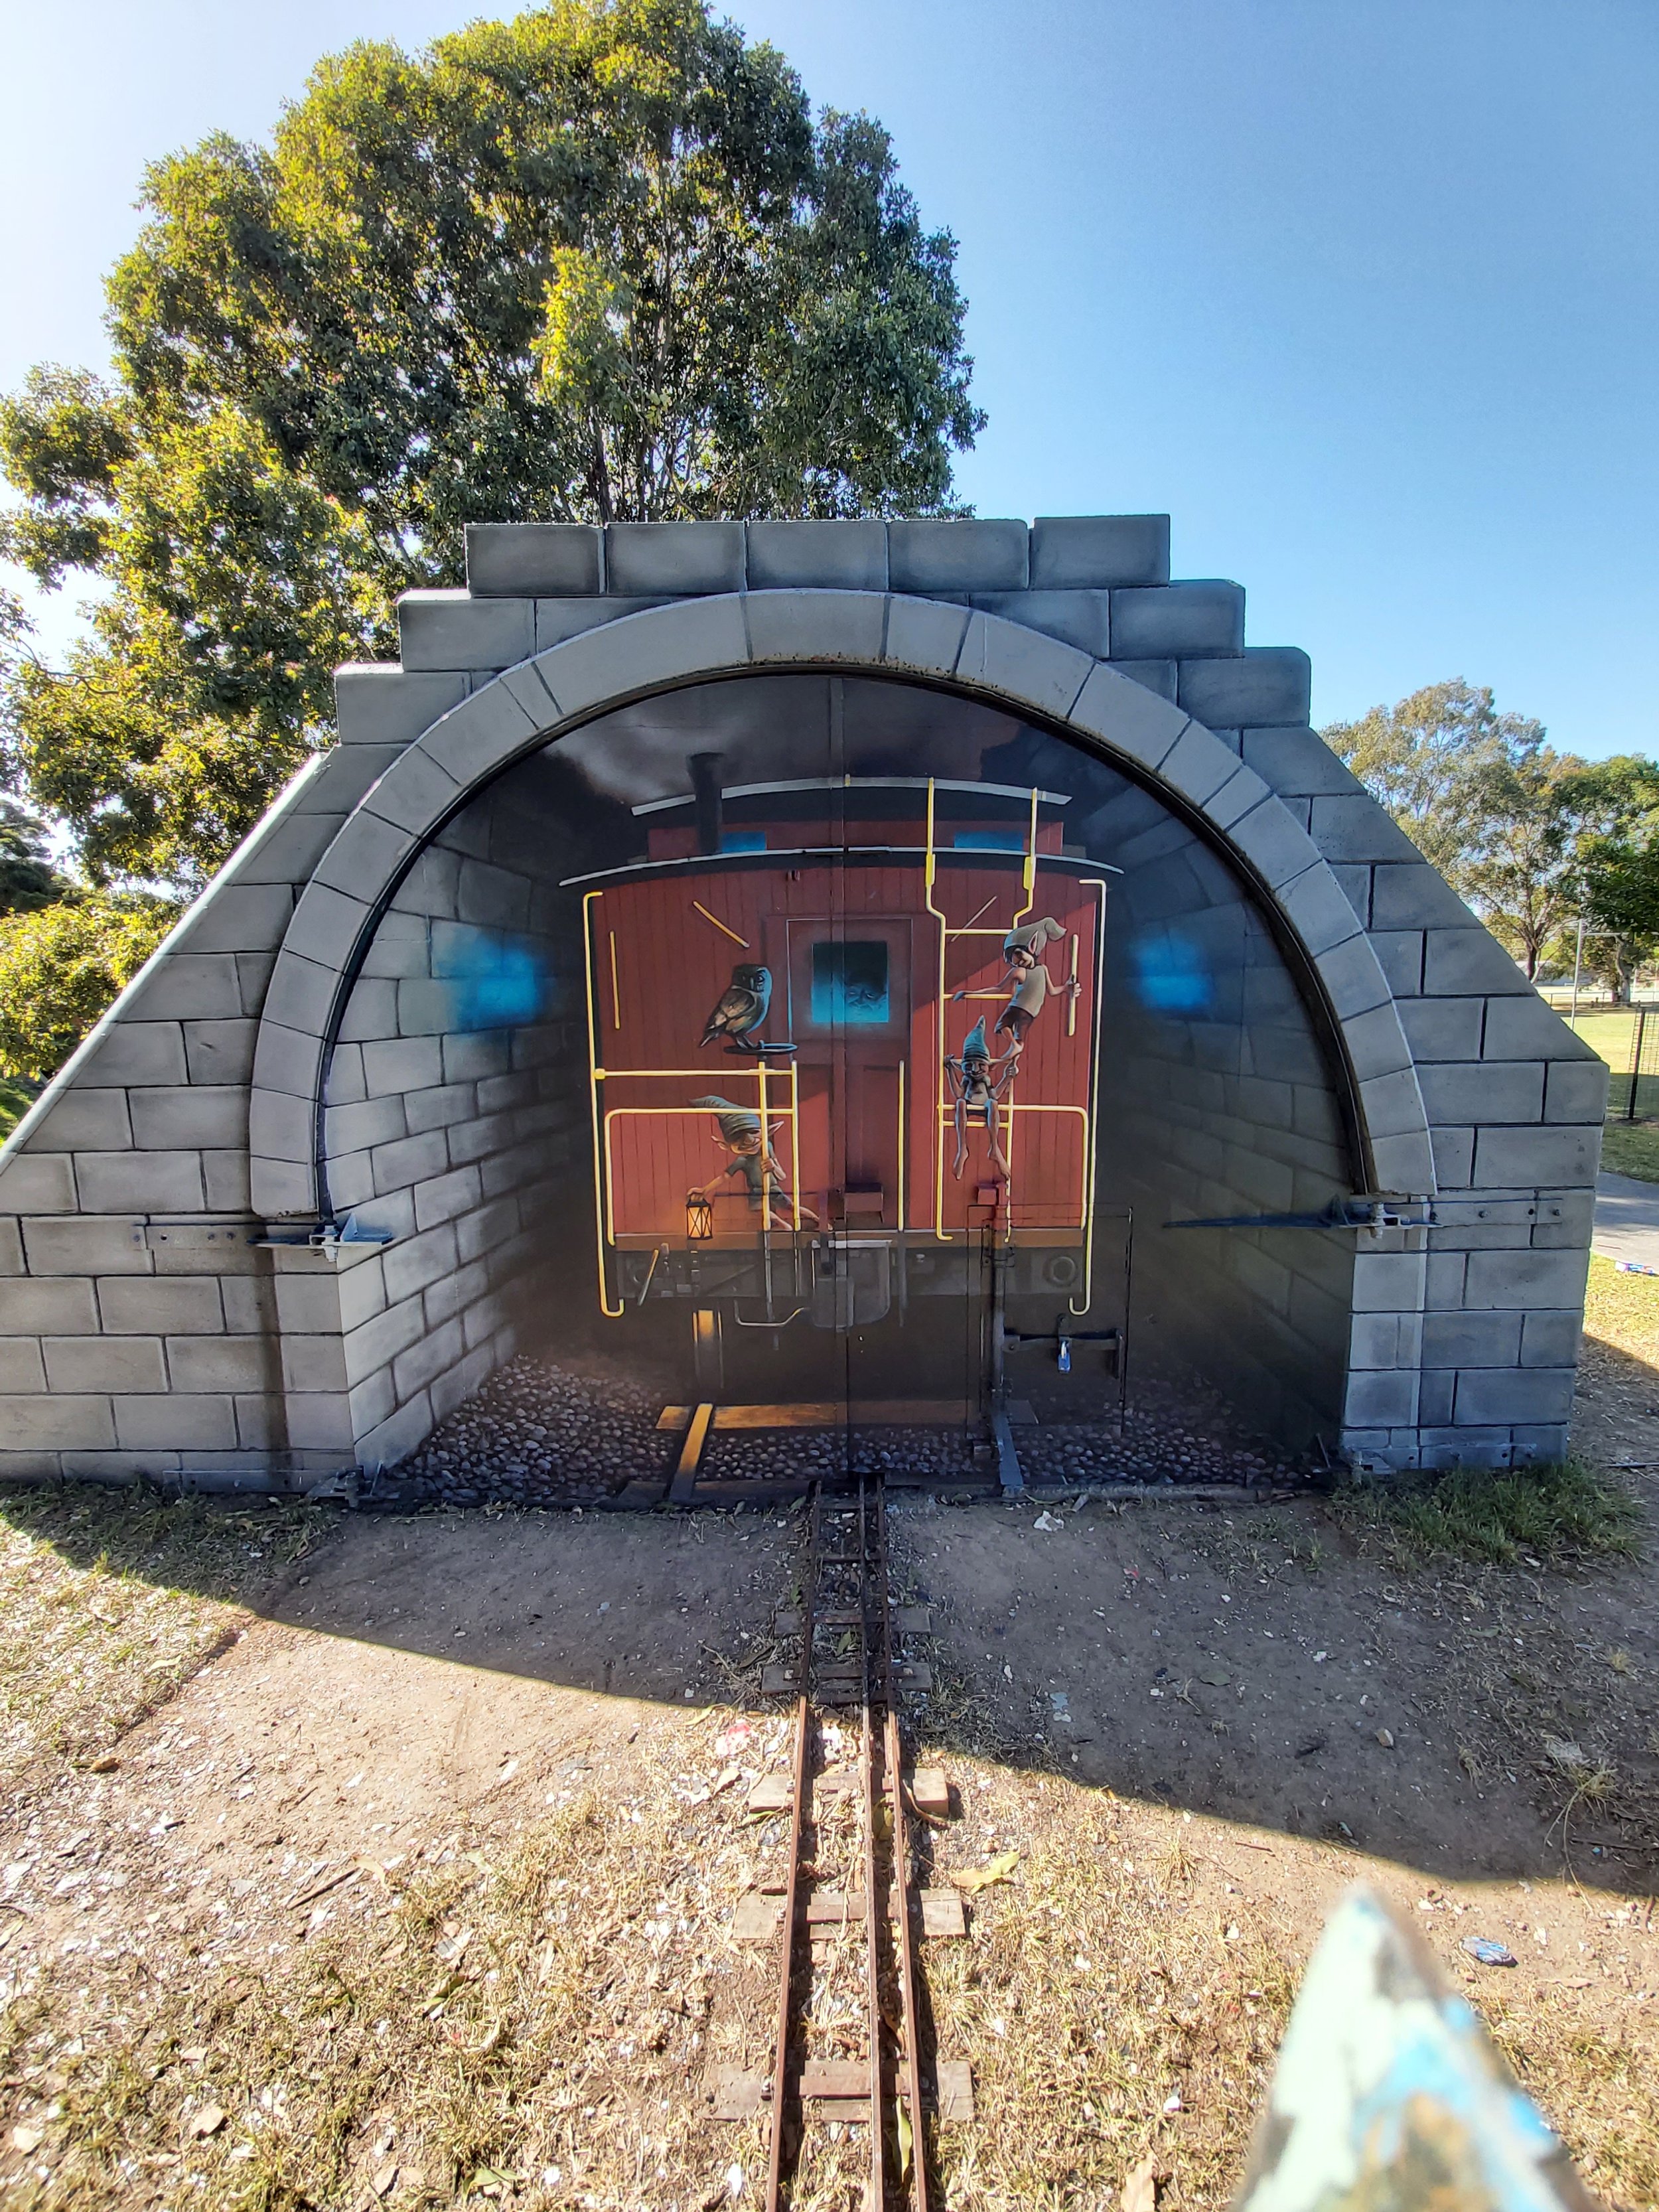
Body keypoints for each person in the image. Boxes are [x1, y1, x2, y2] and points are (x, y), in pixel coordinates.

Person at [687, 1096, 816, 1229]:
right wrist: (705, 1190)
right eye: (740, 1138)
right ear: (725, 1145)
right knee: (759, 1209)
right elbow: (724, 1177)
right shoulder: (742, 1161)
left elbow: (782, 1176)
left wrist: (773, 1167)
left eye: (753, 1134)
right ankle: (784, 1225)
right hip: (756, 1191)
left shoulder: (767, 1149)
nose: (749, 1140)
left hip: (772, 1189)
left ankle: (819, 1221)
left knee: (792, 1207)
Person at [991, 916, 1080, 1059]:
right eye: (1017, 963)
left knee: (1002, 1025)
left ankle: (1014, 1047)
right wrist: (1065, 988)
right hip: (1031, 1012)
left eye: (1022, 960)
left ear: (1032, 948)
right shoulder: (1040, 969)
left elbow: (999, 987)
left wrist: (1066, 988)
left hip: (1019, 1007)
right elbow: (1052, 991)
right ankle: (1011, 1052)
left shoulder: (1028, 971)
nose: (1021, 964)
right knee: (1018, 1037)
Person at [942, 1019, 1016, 1179]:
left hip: (985, 1107)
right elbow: (958, 1093)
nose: (975, 1070)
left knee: (992, 1103)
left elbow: (994, 1095)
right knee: (960, 1103)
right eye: (969, 1066)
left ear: (987, 1066)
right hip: (968, 1105)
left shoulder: (986, 1080)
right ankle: (962, 1149)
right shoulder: (967, 1080)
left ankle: (995, 1148)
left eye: (980, 1065)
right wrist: (950, 1071)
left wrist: (1007, 1078)